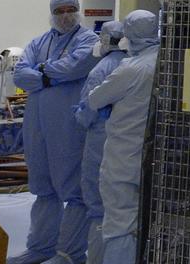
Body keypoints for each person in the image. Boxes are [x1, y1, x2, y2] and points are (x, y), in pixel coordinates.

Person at [9, 0, 100, 264]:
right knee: (43, 185)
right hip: (37, 125)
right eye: (60, 10)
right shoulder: (39, 41)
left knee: (72, 187)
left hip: (68, 126)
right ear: (51, 13)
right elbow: (19, 74)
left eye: (71, 9)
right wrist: (50, 75)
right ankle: (40, 248)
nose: (66, 15)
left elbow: (77, 66)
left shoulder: (89, 41)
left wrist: (41, 75)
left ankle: (69, 254)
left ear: (79, 11)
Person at [87, 10, 160, 264]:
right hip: (155, 159)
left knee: (119, 224)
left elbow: (95, 99)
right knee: (145, 221)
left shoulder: (131, 68)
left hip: (123, 157)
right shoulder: (168, 60)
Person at [72, 21, 127, 264]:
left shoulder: (101, 70)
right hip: (128, 146)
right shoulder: (138, 64)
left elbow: (88, 111)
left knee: (97, 205)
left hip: (100, 142)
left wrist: (79, 116)